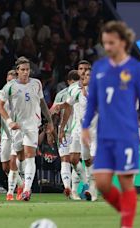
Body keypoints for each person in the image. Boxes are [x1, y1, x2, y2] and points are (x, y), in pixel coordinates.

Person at [82, 21, 140, 228]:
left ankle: (126, 224)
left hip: (126, 133)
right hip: (105, 134)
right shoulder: (99, 68)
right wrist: (85, 126)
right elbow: (93, 101)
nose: (106, 47)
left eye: (111, 43)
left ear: (123, 42)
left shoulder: (136, 68)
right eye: (104, 43)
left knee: (125, 182)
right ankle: (127, 211)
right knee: (103, 183)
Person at [0, 56, 54, 201]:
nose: (25, 72)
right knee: (19, 158)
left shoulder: (36, 84)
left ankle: (27, 190)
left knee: (30, 155)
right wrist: (9, 121)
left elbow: (42, 104)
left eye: (27, 70)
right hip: (16, 127)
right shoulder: (10, 86)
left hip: (32, 125)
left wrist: (49, 121)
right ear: (17, 71)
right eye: (22, 70)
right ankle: (20, 184)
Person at [55, 61, 91, 200]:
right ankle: (69, 188)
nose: (82, 72)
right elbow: (61, 110)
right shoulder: (67, 91)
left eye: (86, 69)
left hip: (86, 129)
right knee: (69, 159)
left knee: (81, 160)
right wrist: (58, 129)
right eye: (80, 69)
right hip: (70, 130)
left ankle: (77, 189)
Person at [50, 70, 79, 199]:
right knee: (72, 161)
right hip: (69, 131)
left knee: (66, 160)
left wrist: (51, 130)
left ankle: (68, 187)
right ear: (68, 82)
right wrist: (51, 131)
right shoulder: (76, 93)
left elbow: (53, 114)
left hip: (68, 131)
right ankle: (71, 189)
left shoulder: (62, 94)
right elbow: (54, 113)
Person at [0, 70, 16, 174]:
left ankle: (20, 186)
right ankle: (18, 183)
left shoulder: (21, 94)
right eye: (8, 80)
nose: (9, 84)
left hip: (18, 133)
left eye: (12, 81)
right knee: (5, 166)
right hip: (6, 134)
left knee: (15, 162)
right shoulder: (0, 94)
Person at [79, 68, 98, 201]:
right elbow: (68, 104)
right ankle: (90, 186)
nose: (86, 77)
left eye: (89, 75)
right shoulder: (77, 91)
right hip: (83, 132)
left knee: (94, 158)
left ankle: (93, 191)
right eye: (85, 75)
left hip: (97, 130)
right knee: (87, 160)